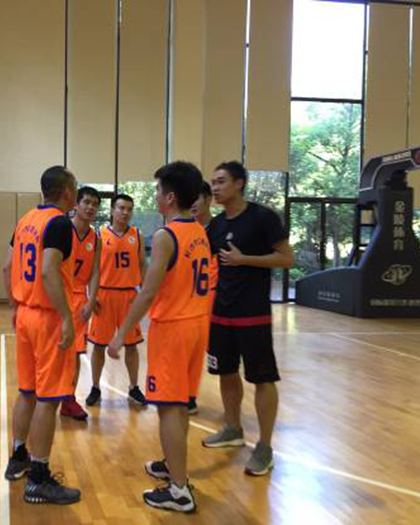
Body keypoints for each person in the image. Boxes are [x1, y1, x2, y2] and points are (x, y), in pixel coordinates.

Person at [108, 161, 210, 513]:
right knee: (181, 403)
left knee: (169, 407)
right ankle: (172, 465)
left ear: (169, 197)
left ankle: (179, 490)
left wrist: (121, 333)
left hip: (174, 329)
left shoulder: (167, 236)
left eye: (157, 190)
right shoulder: (199, 230)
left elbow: (148, 292)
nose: (154, 196)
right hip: (197, 324)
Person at [202, 161, 293, 477]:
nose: (215, 188)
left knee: (262, 379)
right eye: (213, 182)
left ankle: (265, 447)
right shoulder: (215, 226)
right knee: (226, 373)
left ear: (239, 183)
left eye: (221, 181)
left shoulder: (263, 217)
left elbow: (287, 258)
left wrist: (245, 259)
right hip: (221, 313)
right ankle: (232, 428)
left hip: (253, 314)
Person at [3, 166, 81, 505]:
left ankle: (18, 455)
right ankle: (38, 476)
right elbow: (49, 271)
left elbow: (8, 267)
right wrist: (66, 317)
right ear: (67, 192)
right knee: (49, 399)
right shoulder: (60, 223)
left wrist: (14, 305)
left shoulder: (26, 220)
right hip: (48, 317)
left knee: (27, 392)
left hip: (25, 314)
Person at [86, 194, 147, 407]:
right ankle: (95, 387)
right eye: (121, 208)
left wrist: (143, 292)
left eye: (129, 209)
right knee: (99, 346)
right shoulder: (99, 235)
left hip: (129, 296)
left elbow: (142, 265)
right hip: (104, 295)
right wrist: (91, 295)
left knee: (132, 346)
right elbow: (91, 268)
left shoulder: (137, 235)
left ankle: (134, 387)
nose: (125, 212)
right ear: (112, 210)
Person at [60, 186, 102, 421]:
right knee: (57, 350)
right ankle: (46, 394)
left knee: (75, 352)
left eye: (95, 204)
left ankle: (69, 398)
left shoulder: (95, 238)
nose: (90, 207)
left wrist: (91, 299)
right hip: (59, 297)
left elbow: (95, 271)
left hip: (80, 299)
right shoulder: (63, 229)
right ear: (76, 204)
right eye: (86, 202)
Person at [187, 179, 214, 415]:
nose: (193, 203)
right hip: (188, 300)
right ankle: (186, 395)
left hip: (214, 300)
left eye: (197, 198)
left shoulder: (219, 228)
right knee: (188, 350)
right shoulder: (186, 229)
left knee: (209, 353)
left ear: (208, 199)